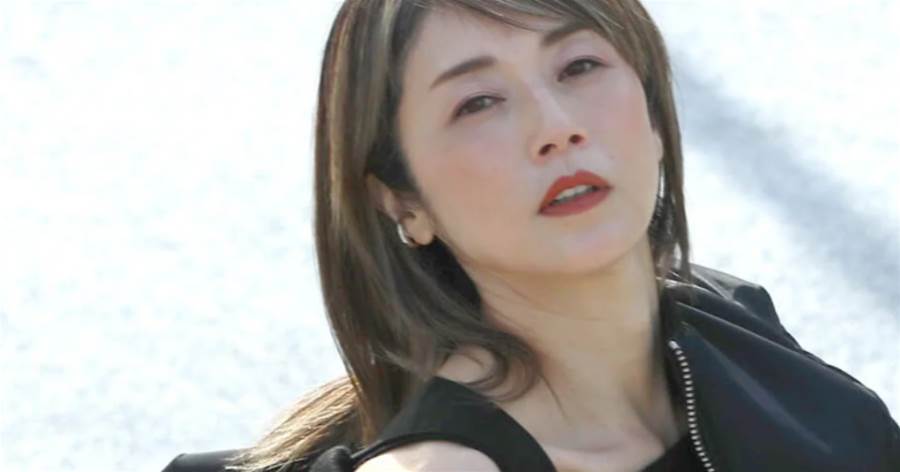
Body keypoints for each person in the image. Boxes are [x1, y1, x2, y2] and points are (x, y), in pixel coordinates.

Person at [162, 1, 900, 471]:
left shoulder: (732, 319)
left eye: (580, 65)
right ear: (403, 202)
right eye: (479, 103)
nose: (557, 126)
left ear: (651, 112)